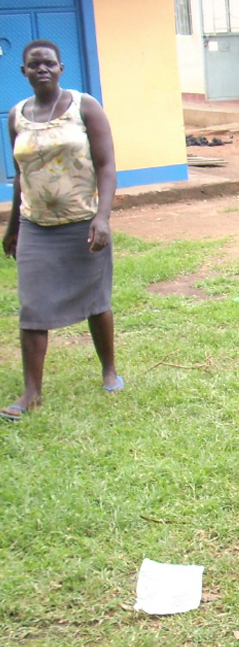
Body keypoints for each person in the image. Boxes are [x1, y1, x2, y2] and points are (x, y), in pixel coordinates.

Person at [3, 39, 121, 422]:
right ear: (23, 71)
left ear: (60, 68)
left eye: (49, 63)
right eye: (34, 64)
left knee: (96, 301)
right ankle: (31, 394)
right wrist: (11, 227)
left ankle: (109, 370)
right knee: (33, 307)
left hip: (83, 222)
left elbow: (106, 165)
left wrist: (102, 217)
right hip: (35, 224)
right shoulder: (16, 115)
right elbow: (21, 175)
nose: (42, 69)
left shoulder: (84, 107)